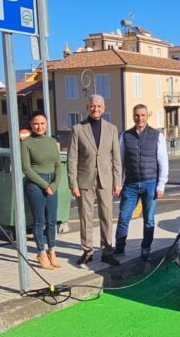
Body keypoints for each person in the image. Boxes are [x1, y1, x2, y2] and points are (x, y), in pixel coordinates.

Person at [67, 94, 122, 266]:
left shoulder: (112, 129)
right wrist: (73, 183)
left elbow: (116, 158)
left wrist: (118, 181)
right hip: (84, 180)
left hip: (106, 179)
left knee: (107, 215)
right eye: (92, 106)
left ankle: (107, 251)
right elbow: (72, 158)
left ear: (104, 108)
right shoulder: (78, 129)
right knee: (85, 216)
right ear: (87, 107)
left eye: (99, 106)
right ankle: (87, 251)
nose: (95, 109)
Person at [114, 104, 168, 262]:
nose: (140, 118)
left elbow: (163, 161)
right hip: (130, 184)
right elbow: (120, 162)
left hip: (150, 183)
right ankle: (119, 247)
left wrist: (161, 185)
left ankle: (146, 249)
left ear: (147, 116)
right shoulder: (125, 136)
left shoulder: (157, 136)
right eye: (137, 115)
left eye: (143, 115)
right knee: (124, 217)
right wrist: (118, 183)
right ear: (133, 116)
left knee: (149, 219)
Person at [21, 113, 60, 270]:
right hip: (36, 184)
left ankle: (52, 250)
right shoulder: (27, 143)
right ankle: (41, 253)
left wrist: (55, 184)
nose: (40, 127)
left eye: (43, 123)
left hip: (52, 183)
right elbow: (26, 169)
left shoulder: (51, 141)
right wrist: (45, 185)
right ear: (31, 124)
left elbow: (58, 164)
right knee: (39, 221)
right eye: (36, 123)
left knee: (52, 220)